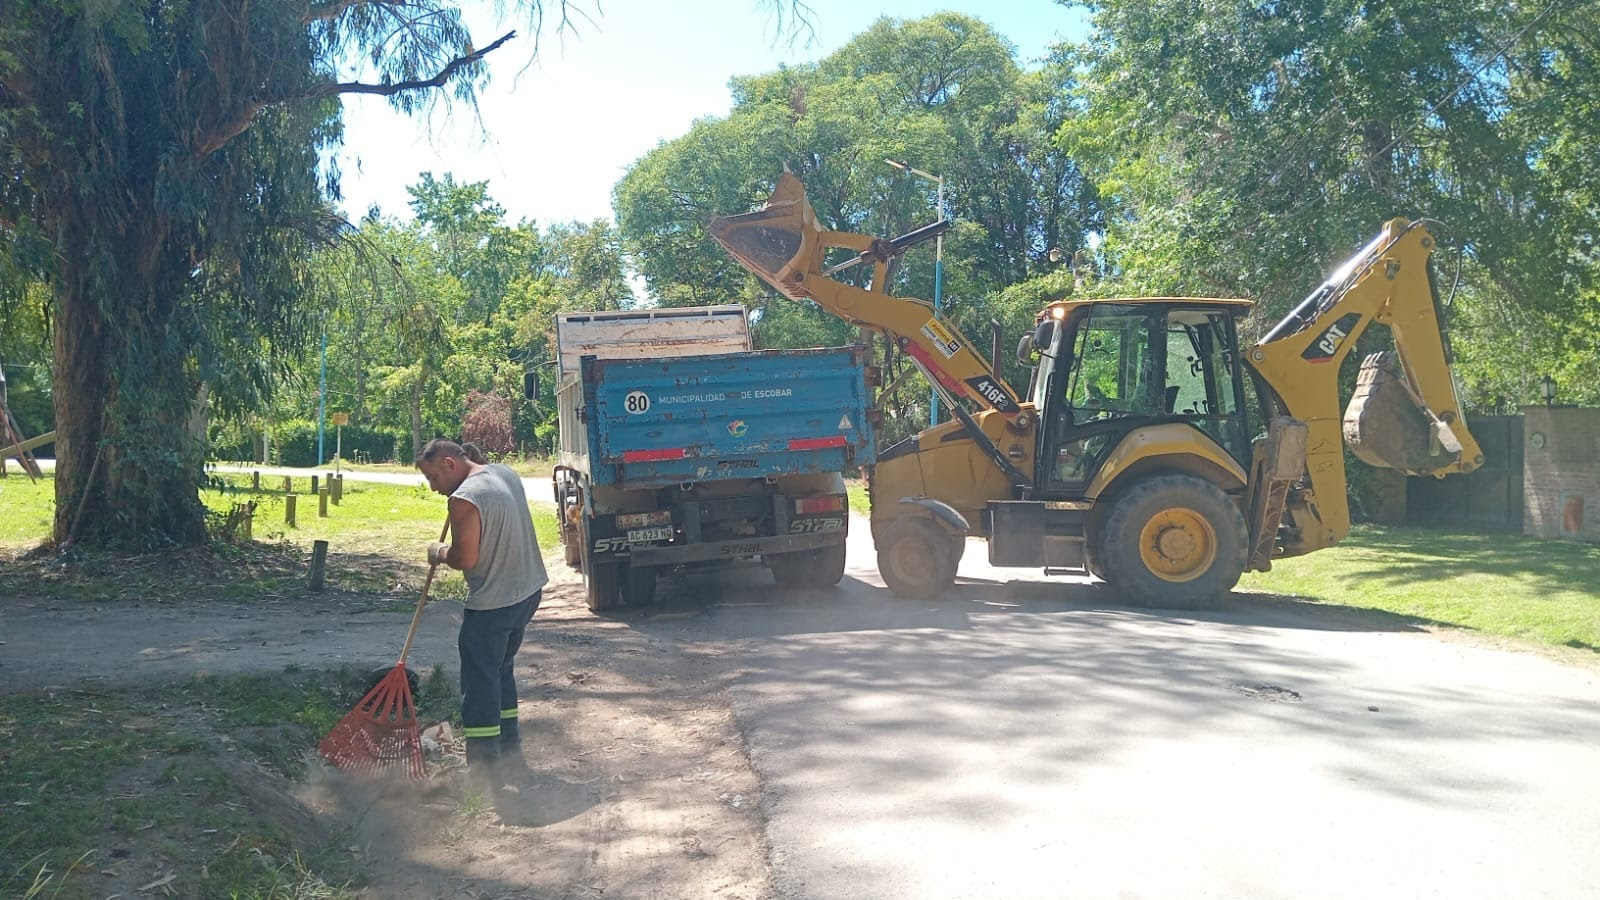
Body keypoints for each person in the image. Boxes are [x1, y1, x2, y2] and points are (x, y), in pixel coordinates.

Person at [416, 439, 548, 784]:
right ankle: (510, 752)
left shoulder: (463, 500)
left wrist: (439, 552)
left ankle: (484, 771)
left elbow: (465, 559)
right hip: (527, 593)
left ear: (449, 463)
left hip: (494, 605)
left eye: (433, 477)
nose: (433, 488)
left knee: (479, 685)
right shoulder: (505, 473)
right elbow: (481, 470)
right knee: (500, 672)